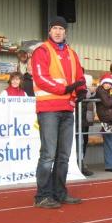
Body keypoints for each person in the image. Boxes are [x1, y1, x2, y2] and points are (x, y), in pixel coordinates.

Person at [31, 16, 87, 208]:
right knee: (48, 154)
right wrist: (65, 89)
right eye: (54, 28)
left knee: (63, 155)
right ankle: (42, 196)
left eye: (61, 29)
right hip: (48, 109)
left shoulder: (72, 53)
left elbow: (79, 76)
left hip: (67, 109)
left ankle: (59, 193)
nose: (57, 31)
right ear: (49, 31)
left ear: (65, 32)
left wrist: (81, 90)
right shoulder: (42, 51)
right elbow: (40, 78)